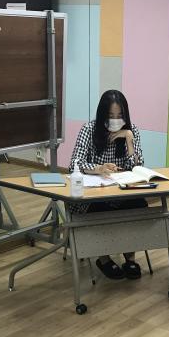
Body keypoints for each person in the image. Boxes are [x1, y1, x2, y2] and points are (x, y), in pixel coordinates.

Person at [69, 90, 145, 280]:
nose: (115, 120)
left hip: (120, 191)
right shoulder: (89, 129)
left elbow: (137, 167)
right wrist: (98, 168)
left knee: (138, 204)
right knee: (100, 209)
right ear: (102, 114)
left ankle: (130, 258)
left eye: (120, 116)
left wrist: (128, 139)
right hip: (94, 194)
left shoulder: (131, 131)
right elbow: (74, 163)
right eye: (111, 116)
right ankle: (103, 258)